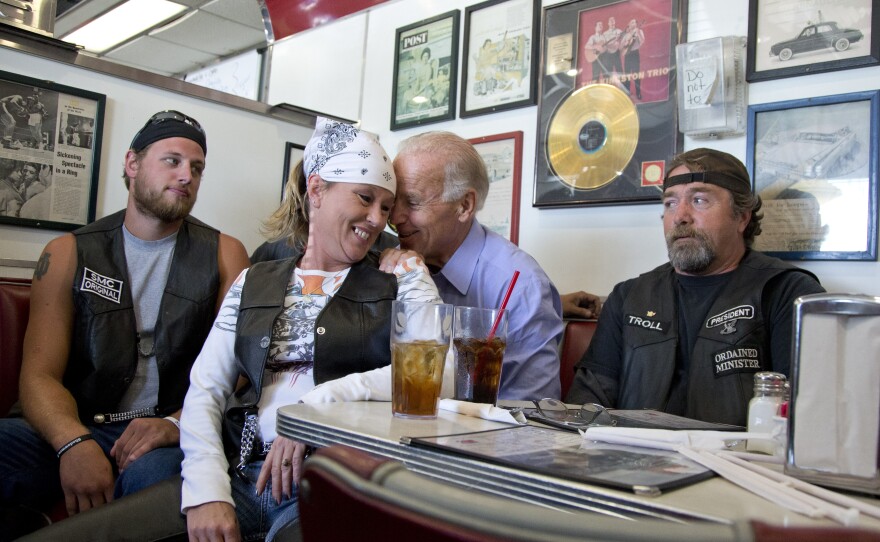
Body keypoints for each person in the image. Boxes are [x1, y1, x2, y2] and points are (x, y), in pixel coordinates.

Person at [179, 117, 442, 541]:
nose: (377, 220)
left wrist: (312, 411)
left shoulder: (404, 275)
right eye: (365, 198)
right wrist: (207, 490)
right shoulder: (254, 280)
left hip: (332, 482)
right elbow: (206, 389)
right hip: (240, 474)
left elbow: (436, 375)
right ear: (317, 189)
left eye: (386, 207)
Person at [0, 110, 251, 538]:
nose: (186, 175)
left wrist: (174, 423)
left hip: (163, 429)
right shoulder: (67, 252)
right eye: (171, 160)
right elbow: (38, 375)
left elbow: (241, 371)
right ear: (132, 164)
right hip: (79, 420)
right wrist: (72, 442)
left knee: (161, 481)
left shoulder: (226, 253)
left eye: (196, 167)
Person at [565, 148, 825, 426]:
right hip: (633, 462)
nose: (680, 216)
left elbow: (810, 418)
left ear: (742, 217)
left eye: (699, 200)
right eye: (670, 203)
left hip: (734, 465)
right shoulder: (629, 296)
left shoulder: (787, 292)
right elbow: (586, 406)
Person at [308, 131, 565, 401]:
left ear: (464, 205)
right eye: (394, 202)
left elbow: (532, 408)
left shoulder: (521, 287)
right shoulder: (387, 264)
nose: (393, 218)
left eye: (414, 202)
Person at [621, 18, 645, 99]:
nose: (633, 23)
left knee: (636, 74)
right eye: (632, 22)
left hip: (635, 54)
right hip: (627, 55)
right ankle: (627, 93)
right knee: (627, 75)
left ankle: (638, 93)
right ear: (629, 25)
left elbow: (642, 42)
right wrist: (626, 43)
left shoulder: (639, 31)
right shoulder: (626, 35)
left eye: (635, 22)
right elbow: (622, 47)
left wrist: (638, 34)